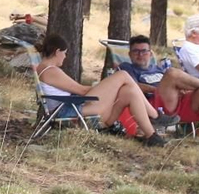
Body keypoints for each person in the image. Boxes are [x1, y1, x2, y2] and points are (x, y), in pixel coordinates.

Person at [33, 33, 168, 146]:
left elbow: (78, 90)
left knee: (129, 91)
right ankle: (155, 116)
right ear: (57, 52)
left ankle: (151, 137)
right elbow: (81, 91)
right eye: (64, 53)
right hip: (70, 112)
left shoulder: (44, 68)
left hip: (74, 108)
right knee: (122, 75)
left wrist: (106, 87)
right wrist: (106, 87)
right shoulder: (50, 71)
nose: (65, 57)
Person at [115, 35, 199, 142]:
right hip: (153, 107)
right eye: (136, 51)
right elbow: (132, 86)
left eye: (144, 51)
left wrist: (180, 88)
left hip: (176, 103)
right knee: (172, 73)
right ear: (130, 54)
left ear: (150, 54)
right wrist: (158, 89)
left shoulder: (158, 69)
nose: (140, 55)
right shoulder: (126, 67)